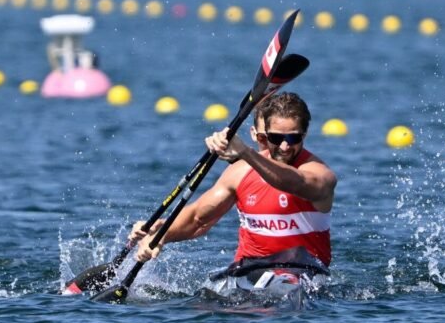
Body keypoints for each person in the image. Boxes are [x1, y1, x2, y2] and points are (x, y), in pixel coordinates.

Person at [130, 92, 337, 293]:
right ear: (264, 135)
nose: (284, 146)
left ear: (305, 135)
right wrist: (159, 235)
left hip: (301, 271)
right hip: (249, 270)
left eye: (293, 139)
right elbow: (197, 219)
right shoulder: (239, 173)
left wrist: (245, 152)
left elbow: (294, 183)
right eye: (276, 138)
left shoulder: (320, 174)